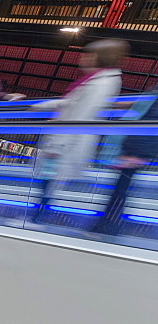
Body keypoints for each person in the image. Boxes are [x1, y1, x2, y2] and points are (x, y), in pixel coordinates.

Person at [25, 39, 127, 225]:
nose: (82, 58)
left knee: (49, 181)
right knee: (48, 180)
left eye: (86, 55)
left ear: (97, 58)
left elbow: (80, 115)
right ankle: (36, 217)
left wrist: (58, 144)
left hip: (65, 141)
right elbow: (72, 103)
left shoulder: (101, 83)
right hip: (65, 139)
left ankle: (36, 219)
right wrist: (40, 106)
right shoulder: (97, 79)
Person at [91, 92, 158, 236]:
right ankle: (107, 225)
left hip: (137, 146)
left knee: (120, 189)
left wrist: (131, 150)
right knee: (121, 188)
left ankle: (108, 226)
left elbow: (150, 116)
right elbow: (145, 108)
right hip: (138, 145)